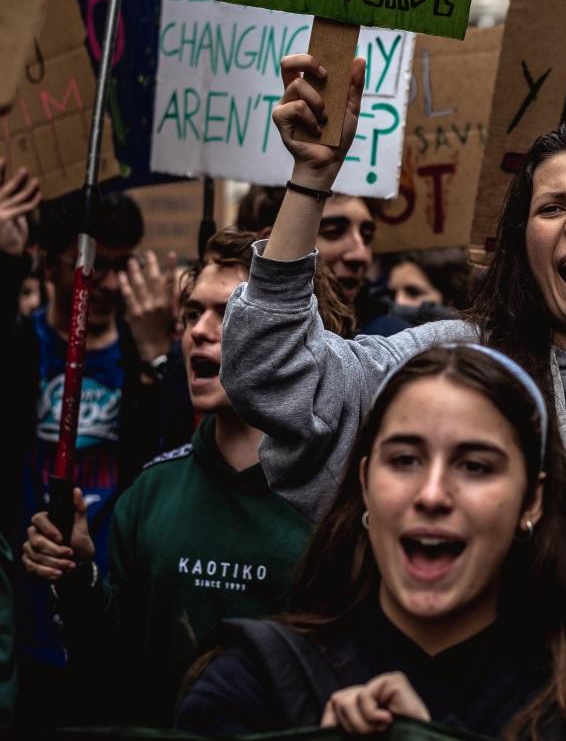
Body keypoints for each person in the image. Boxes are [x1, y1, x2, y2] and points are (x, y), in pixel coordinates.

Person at [220, 55, 566, 525]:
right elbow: (275, 374)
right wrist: (310, 179)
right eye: (552, 208)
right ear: (521, 245)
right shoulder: (457, 360)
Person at [177, 344, 566, 739]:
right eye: (404, 460)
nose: (432, 494)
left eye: (474, 466)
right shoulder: (256, 683)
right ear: (364, 485)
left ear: (530, 503)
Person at [17, 228, 350, 726]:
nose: (198, 330)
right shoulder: (151, 493)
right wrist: (77, 577)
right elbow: (109, 673)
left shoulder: (339, 506)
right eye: (193, 313)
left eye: (229, 312)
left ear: (291, 336)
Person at [1, 187, 178, 726]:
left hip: (107, 607)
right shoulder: (21, 345)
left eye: (122, 266)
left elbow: (171, 458)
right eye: (92, 265)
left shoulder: (138, 352)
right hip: (25, 614)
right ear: (50, 264)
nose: (107, 283)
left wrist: (157, 357)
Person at [234, 184, 406, 336]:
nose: (361, 255)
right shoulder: (222, 333)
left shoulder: (388, 342)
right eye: (333, 231)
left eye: (367, 237)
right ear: (270, 244)